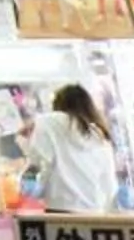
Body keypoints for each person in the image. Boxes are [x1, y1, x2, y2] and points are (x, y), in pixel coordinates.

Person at [27, 84, 120, 213]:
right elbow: (109, 183)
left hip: (60, 209)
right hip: (94, 211)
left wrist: (33, 191)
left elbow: (40, 162)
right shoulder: (100, 135)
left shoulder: (48, 123)